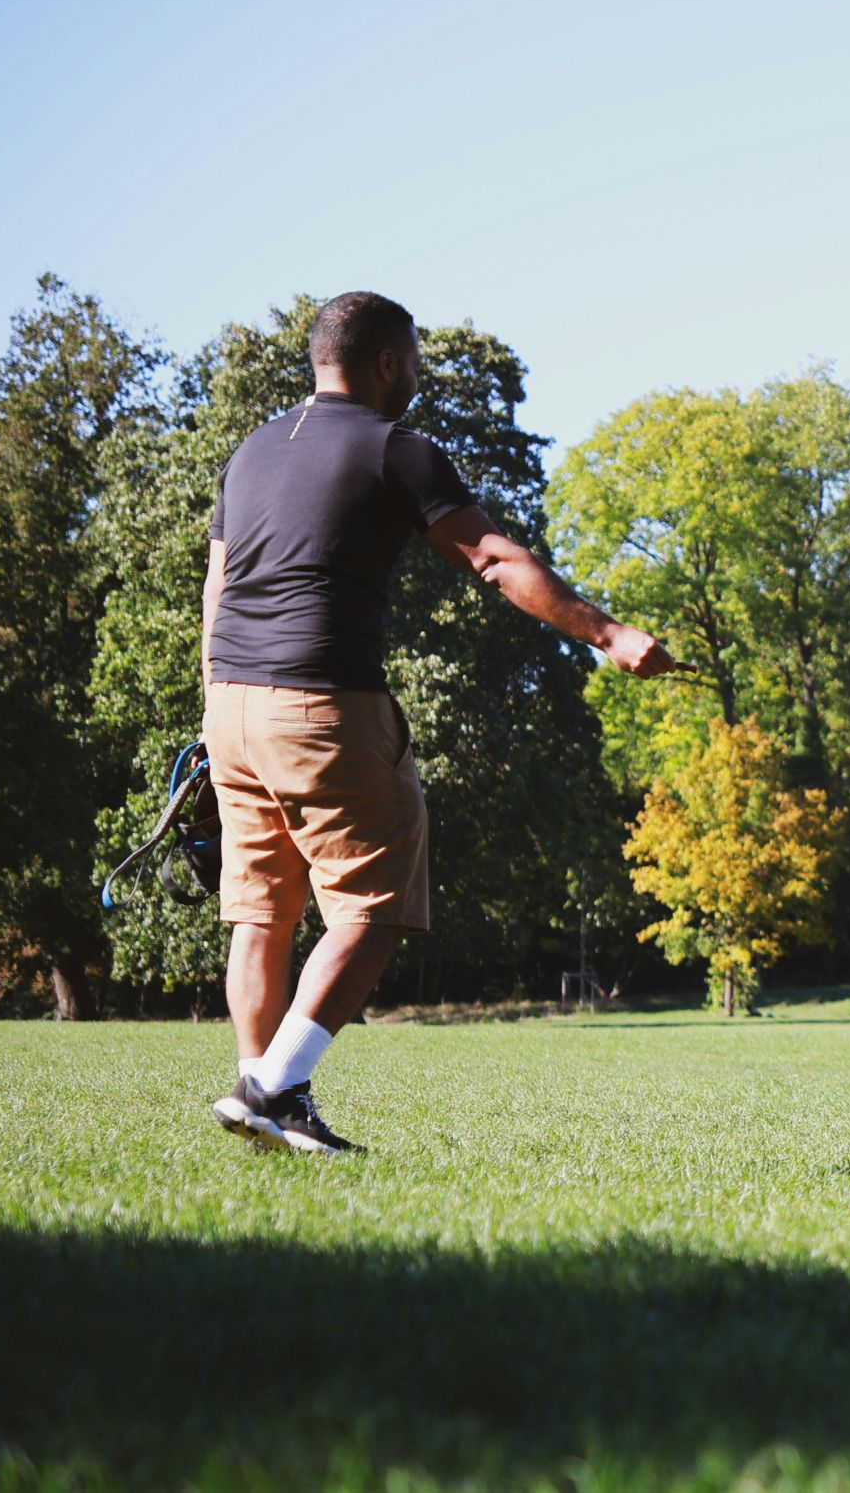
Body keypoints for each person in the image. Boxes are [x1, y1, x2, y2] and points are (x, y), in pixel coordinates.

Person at [204, 291, 679, 1154]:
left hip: (231, 704)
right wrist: (607, 633)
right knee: (374, 908)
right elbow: (494, 560)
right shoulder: (397, 448)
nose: (416, 378)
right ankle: (270, 1087)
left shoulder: (251, 450)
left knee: (260, 917)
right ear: (387, 360)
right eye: (413, 361)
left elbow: (220, 587)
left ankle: (268, 1102)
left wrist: (217, 705)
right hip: (325, 702)